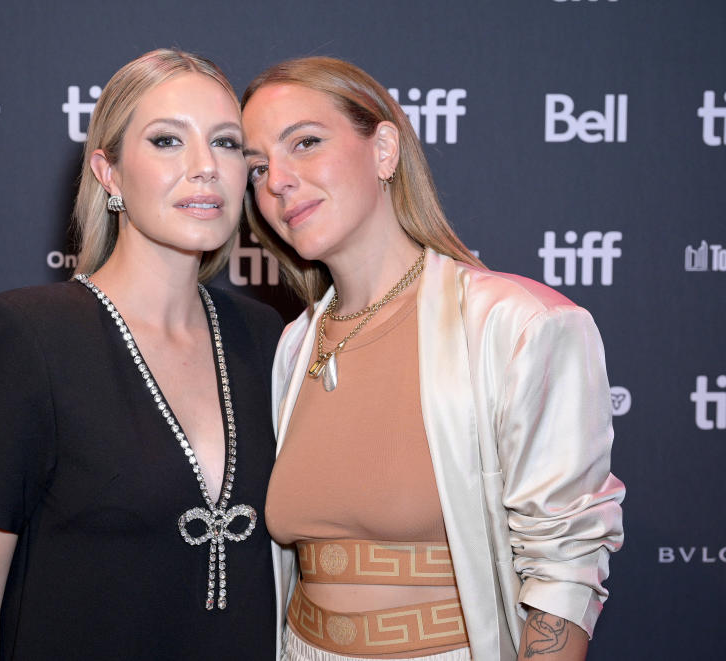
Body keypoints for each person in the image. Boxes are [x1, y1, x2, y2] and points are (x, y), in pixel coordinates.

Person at [240, 57, 624, 661]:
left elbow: (565, 568)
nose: (277, 181)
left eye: (306, 143)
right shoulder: (295, 345)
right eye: (257, 167)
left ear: (384, 149)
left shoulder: (515, 324)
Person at [0, 49, 282, 660]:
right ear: (109, 173)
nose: (205, 167)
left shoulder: (265, 335)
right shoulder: (29, 336)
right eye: (168, 140)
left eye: (227, 144)